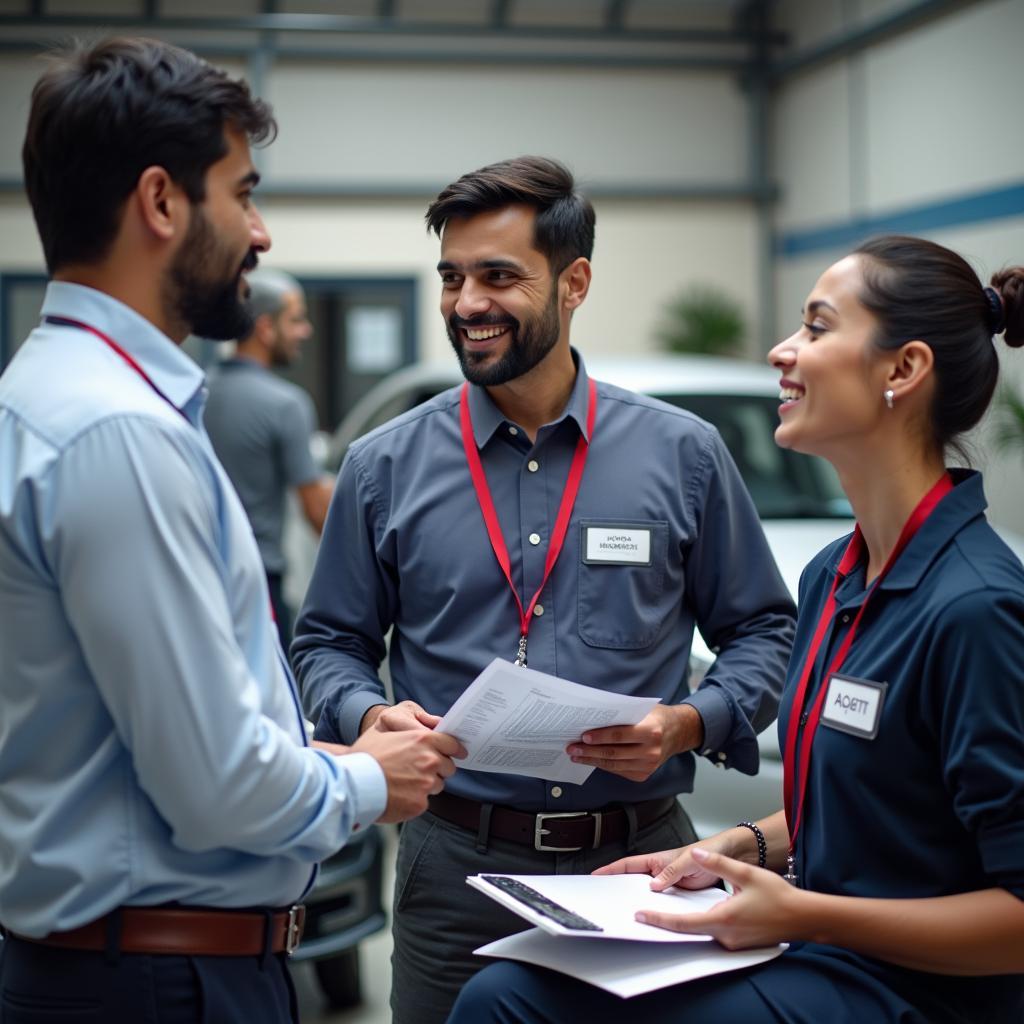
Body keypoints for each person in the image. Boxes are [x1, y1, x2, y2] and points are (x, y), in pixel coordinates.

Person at [0, 36, 462, 1023]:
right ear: (163, 202)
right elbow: (214, 786)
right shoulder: (116, 431)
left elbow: (154, 738)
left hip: (128, 966)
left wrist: (334, 756)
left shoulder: (59, 398)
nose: (259, 232)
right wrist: (369, 782)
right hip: (159, 981)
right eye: (242, 193)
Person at [447, 235, 1024, 1024]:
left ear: (903, 370)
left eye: (818, 328)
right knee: (506, 992)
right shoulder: (834, 575)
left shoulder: (978, 609)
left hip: (909, 992)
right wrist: (726, 851)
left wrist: (801, 912)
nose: (782, 351)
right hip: (823, 955)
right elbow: (869, 809)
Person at [292, 155, 797, 1024]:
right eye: (452, 278)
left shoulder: (682, 454)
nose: (466, 303)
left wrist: (688, 722)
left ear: (575, 283)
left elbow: (763, 630)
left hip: (639, 868)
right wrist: (368, 718)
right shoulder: (384, 467)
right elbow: (326, 644)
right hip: (457, 872)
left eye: (498, 276)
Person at [205, 269, 334, 648]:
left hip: (199, 575)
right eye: (295, 320)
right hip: (258, 582)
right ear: (265, 327)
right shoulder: (285, 404)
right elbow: (315, 509)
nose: (305, 331)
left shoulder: (196, 392)